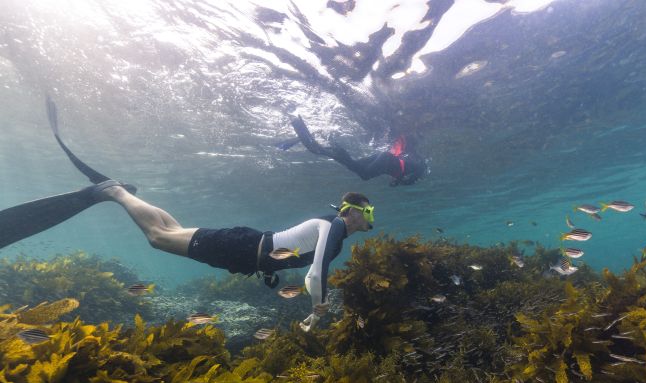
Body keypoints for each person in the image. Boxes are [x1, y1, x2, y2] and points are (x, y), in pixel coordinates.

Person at [0, 98, 375, 332]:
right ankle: (113, 192)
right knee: (158, 237)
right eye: (367, 213)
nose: (369, 220)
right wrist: (317, 309)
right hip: (241, 247)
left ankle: (117, 191)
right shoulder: (332, 226)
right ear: (352, 212)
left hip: (244, 246)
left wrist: (299, 294)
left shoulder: (334, 228)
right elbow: (315, 273)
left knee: (172, 228)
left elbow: (302, 262)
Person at [287, 115, 430, 187]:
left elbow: (403, 161)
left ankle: (330, 146)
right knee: (364, 174)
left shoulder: (415, 160)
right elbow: (410, 180)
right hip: (388, 160)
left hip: (386, 158)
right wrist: (399, 182)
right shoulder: (421, 167)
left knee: (354, 165)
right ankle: (329, 148)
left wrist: (398, 179)